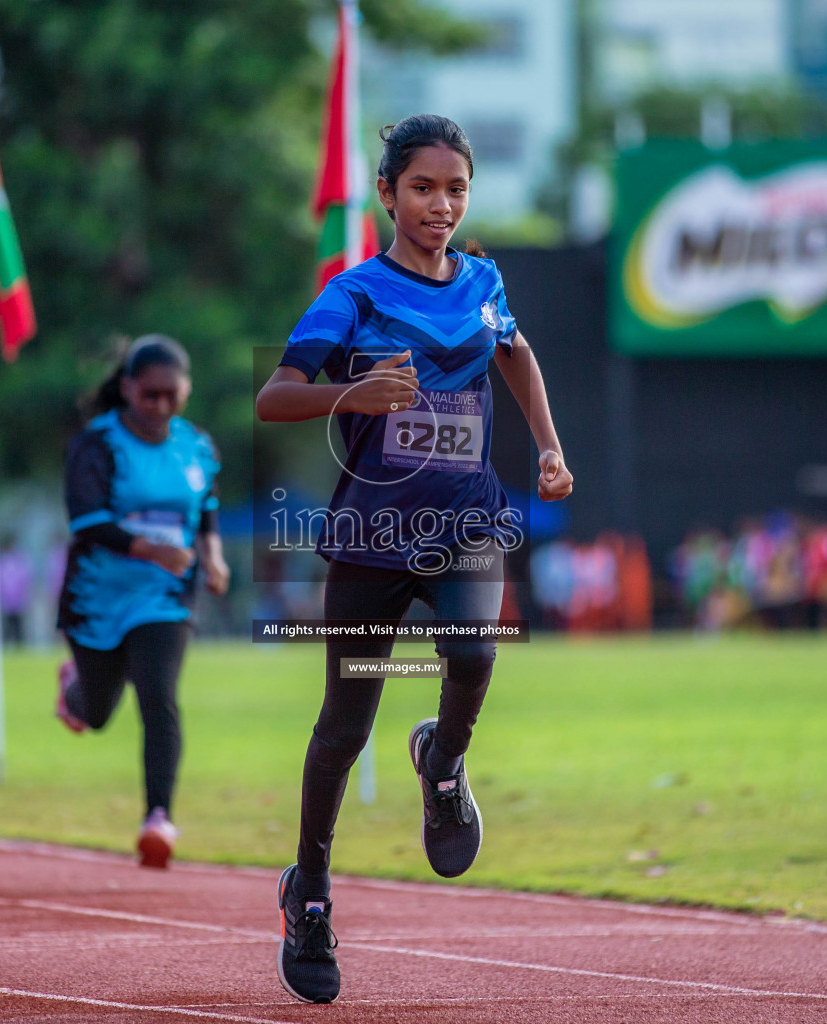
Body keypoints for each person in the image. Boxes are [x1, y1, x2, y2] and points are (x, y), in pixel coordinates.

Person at [255, 114, 573, 1004]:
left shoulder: (483, 279)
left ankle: (441, 763)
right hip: (372, 536)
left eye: (457, 189)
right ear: (387, 193)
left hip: (466, 520)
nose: (441, 204)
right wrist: (353, 390)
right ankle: (309, 891)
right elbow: (274, 396)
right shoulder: (352, 294)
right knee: (345, 726)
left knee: (472, 652)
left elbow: (513, 351)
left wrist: (549, 446)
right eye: (424, 188)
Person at [55, 335, 229, 869]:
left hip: (165, 597)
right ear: (128, 388)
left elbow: (206, 512)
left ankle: (158, 818)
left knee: (160, 697)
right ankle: (75, 691)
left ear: (187, 390)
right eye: (148, 395)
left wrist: (214, 556)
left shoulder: (196, 446)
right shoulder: (97, 444)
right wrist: (150, 549)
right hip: (99, 595)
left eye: (170, 395)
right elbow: (85, 521)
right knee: (101, 711)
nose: (159, 407)